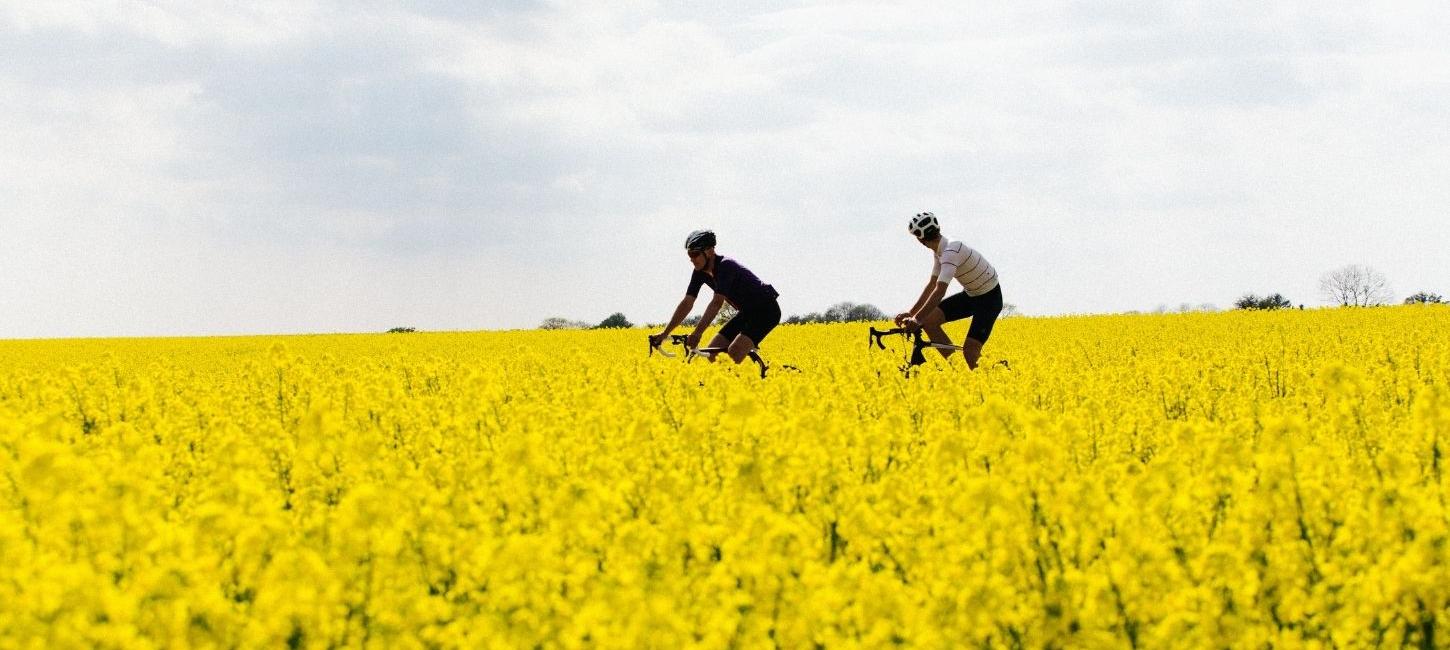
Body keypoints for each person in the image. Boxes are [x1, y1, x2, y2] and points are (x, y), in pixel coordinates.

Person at [650, 230, 781, 365]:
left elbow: (717, 302)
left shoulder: (726, 266)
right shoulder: (699, 273)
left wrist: (697, 333)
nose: (692, 259)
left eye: (695, 254)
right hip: (747, 313)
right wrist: (665, 333)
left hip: (766, 311)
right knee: (713, 356)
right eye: (690, 255)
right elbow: (687, 302)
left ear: (710, 251)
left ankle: (745, 383)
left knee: (734, 352)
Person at [895, 212, 1003, 369]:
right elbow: (932, 284)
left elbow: (939, 291)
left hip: (989, 299)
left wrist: (916, 320)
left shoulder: (950, 251)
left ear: (920, 239)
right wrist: (912, 313)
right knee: (929, 321)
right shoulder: (940, 251)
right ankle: (959, 371)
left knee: (970, 351)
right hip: (971, 295)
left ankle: (994, 377)